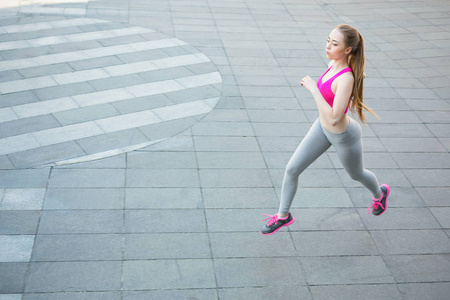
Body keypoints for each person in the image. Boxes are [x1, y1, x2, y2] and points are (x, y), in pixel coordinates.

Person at [261, 24, 390, 235]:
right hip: (321, 128)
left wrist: (313, 89)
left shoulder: (346, 78)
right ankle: (283, 216)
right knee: (292, 168)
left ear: (348, 50)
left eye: (335, 44)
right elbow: (329, 113)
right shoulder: (333, 65)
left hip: (344, 136)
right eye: (328, 40)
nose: (328, 46)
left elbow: (334, 118)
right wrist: (359, 76)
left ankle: (379, 194)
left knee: (356, 174)